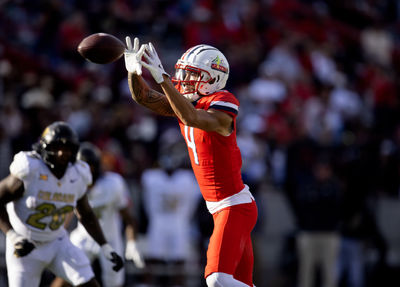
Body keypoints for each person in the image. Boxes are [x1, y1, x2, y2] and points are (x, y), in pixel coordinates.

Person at [124, 37, 258, 287]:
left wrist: (163, 78)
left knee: (217, 280)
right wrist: (134, 72)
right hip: (221, 207)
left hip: (233, 206)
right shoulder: (187, 102)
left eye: (192, 74)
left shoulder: (222, 103)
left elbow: (192, 117)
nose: (183, 79)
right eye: (182, 72)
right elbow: (143, 97)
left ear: (213, 79)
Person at [0, 121, 123, 287]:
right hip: (26, 245)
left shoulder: (77, 174)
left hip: (57, 241)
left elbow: (85, 214)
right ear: (44, 147)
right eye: (56, 147)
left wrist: (105, 245)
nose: (61, 153)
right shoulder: (30, 170)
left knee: (89, 283)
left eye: (67, 148)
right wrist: (12, 235)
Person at [50, 142, 144, 287]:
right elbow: (66, 214)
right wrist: (55, 237)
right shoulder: (72, 182)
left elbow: (129, 218)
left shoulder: (113, 184)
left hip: (109, 239)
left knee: (113, 283)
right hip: (84, 237)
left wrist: (132, 242)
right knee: (66, 277)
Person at [141, 130, 201, 286]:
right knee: (152, 259)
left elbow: (196, 201)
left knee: (179, 261)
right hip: (159, 220)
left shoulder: (187, 178)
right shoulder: (151, 177)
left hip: (179, 221)